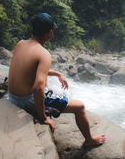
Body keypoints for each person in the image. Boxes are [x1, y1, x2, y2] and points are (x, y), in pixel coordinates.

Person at [8, 13, 105, 146]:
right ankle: (89, 140)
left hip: (13, 97)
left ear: (32, 29)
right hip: (26, 101)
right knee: (80, 107)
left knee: (44, 82)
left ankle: (44, 106)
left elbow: (29, 69)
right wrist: (43, 118)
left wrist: (57, 74)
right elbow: (37, 88)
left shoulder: (21, 44)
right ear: (50, 33)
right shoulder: (44, 54)